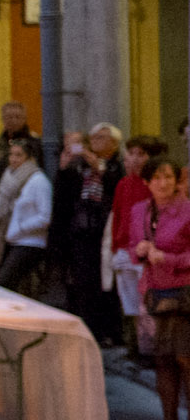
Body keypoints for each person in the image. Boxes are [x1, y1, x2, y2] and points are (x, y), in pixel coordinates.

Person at [130, 157, 190, 420]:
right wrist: (139, 250)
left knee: (185, 358)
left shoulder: (187, 210)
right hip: (154, 293)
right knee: (162, 358)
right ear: (147, 182)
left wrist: (170, 258)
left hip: (183, 294)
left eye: (168, 177)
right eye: (156, 178)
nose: (163, 183)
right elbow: (133, 248)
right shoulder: (139, 211)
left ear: (177, 180)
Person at [55, 123, 127, 344]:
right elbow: (64, 198)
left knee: (106, 284)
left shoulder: (117, 165)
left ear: (114, 143)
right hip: (82, 232)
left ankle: (109, 332)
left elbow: (116, 188)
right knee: (84, 282)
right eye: (93, 138)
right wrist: (64, 169)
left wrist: (100, 168)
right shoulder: (81, 166)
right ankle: (89, 329)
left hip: (104, 232)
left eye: (101, 138)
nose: (95, 141)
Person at [114, 136, 172, 358]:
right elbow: (118, 216)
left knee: (145, 301)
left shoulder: (155, 185)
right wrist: (115, 247)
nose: (135, 159)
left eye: (141, 154)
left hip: (144, 251)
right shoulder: (124, 183)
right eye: (132, 153)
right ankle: (134, 346)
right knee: (127, 300)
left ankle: (150, 349)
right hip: (123, 249)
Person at [0, 140, 52, 295]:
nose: (13, 159)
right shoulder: (10, 178)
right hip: (12, 239)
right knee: (2, 283)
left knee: (4, 283)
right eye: (11, 154)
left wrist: (21, 227)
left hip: (30, 243)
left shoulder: (39, 181)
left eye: (19, 155)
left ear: (30, 158)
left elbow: (45, 216)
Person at [0, 100, 38, 168]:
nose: (14, 121)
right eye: (9, 117)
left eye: (18, 117)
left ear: (24, 119)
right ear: (2, 119)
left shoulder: (34, 142)